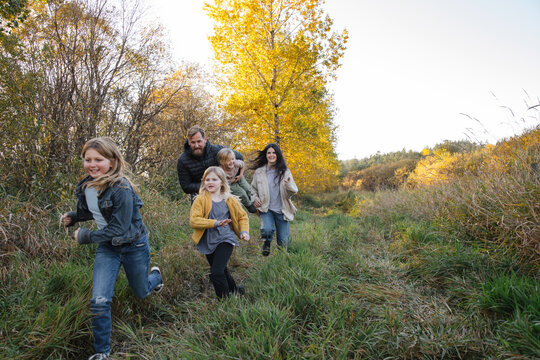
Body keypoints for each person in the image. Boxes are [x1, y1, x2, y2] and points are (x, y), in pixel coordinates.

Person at [61, 137, 163, 360]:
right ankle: (102, 353)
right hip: (108, 247)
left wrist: (87, 236)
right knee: (99, 300)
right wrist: (75, 217)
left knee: (141, 291)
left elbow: (119, 227)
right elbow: (94, 212)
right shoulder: (87, 186)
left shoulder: (121, 189)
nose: (92, 164)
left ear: (113, 161)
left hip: (133, 245)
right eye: (88, 159)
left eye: (99, 159)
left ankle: (155, 276)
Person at [189, 166, 250, 299]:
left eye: (214, 180)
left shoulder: (229, 199)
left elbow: (242, 216)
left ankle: (225, 302)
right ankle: (235, 289)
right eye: (207, 179)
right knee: (221, 269)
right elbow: (194, 221)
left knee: (216, 272)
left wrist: (244, 231)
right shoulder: (200, 200)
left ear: (222, 182)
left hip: (225, 238)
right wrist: (214, 223)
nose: (210, 182)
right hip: (208, 239)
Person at [250, 143, 298, 256]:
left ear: (278, 155)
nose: (271, 155)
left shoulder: (285, 171)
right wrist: (254, 199)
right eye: (269, 153)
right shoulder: (259, 172)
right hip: (266, 208)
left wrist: (287, 185)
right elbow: (253, 189)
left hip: (282, 209)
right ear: (266, 155)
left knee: (283, 242)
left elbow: (293, 191)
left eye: (274, 153)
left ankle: (280, 263)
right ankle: (266, 242)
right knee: (267, 229)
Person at [177, 125, 244, 200]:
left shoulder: (217, 150)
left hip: (222, 194)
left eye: (199, 141)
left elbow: (240, 157)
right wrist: (209, 185)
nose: (196, 145)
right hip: (200, 197)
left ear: (205, 139)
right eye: (193, 142)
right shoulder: (183, 160)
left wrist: (235, 176)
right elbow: (186, 187)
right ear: (189, 142)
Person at [217, 147, 257, 213]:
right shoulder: (220, 170)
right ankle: (248, 204)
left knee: (248, 188)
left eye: (233, 159)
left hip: (239, 176)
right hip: (229, 183)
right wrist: (231, 181)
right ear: (222, 162)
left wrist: (241, 175)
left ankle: (253, 199)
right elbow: (222, 181)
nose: (231, 162)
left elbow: (243, 166)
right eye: (228, 160)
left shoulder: (236, 163)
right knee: (242, 193)